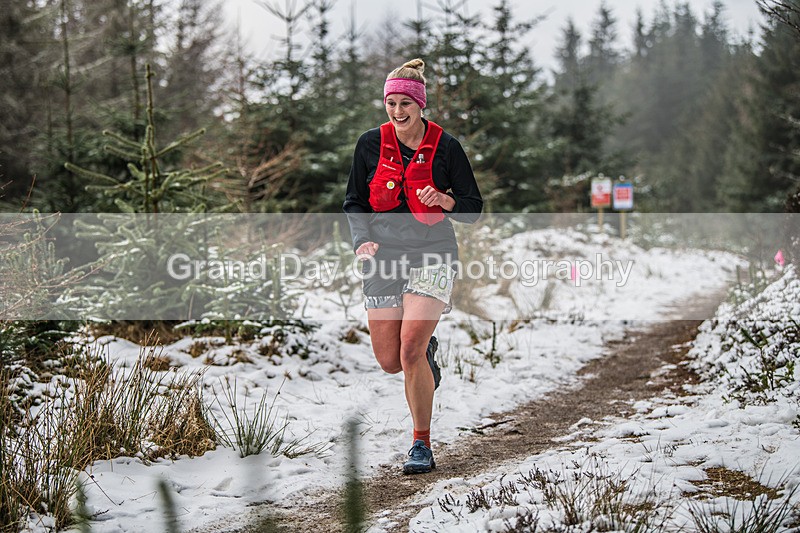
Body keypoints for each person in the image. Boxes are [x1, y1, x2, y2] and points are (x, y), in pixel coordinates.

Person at [343, 58, 483, 474]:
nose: (398, 111)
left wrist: (446, 201)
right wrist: (361, 239)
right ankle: (426, 357)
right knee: (390, 359)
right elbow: (354, 201)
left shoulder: (447, 147)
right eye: (391, 103)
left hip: (433, 253)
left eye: (406, 102)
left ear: (421, 105)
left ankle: (421, 444)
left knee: (409, 348)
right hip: (383, 256)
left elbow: (473, 208)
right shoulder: (369, 144)